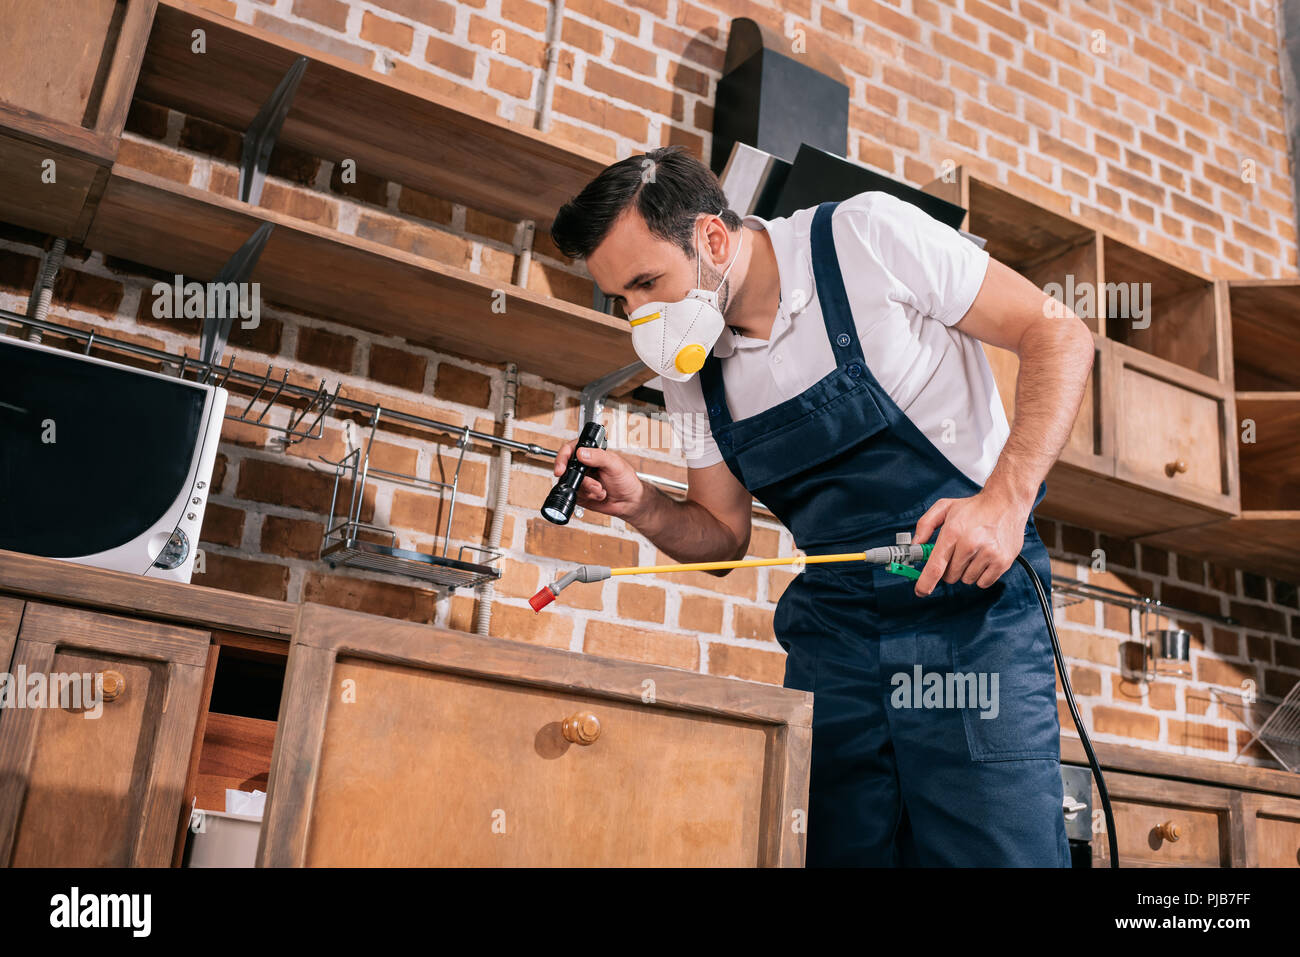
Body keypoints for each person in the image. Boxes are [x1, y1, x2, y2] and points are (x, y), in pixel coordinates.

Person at [548, 145, 1093, 867]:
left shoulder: (865, 238)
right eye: (624, 300)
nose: (640, 316)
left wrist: (1005, 501)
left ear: (713, 238)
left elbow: (1058, 330)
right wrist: (642, 504)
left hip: (968, 617)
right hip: (836, 637)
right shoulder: (690, 375)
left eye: (649, 283)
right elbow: (721, 534)